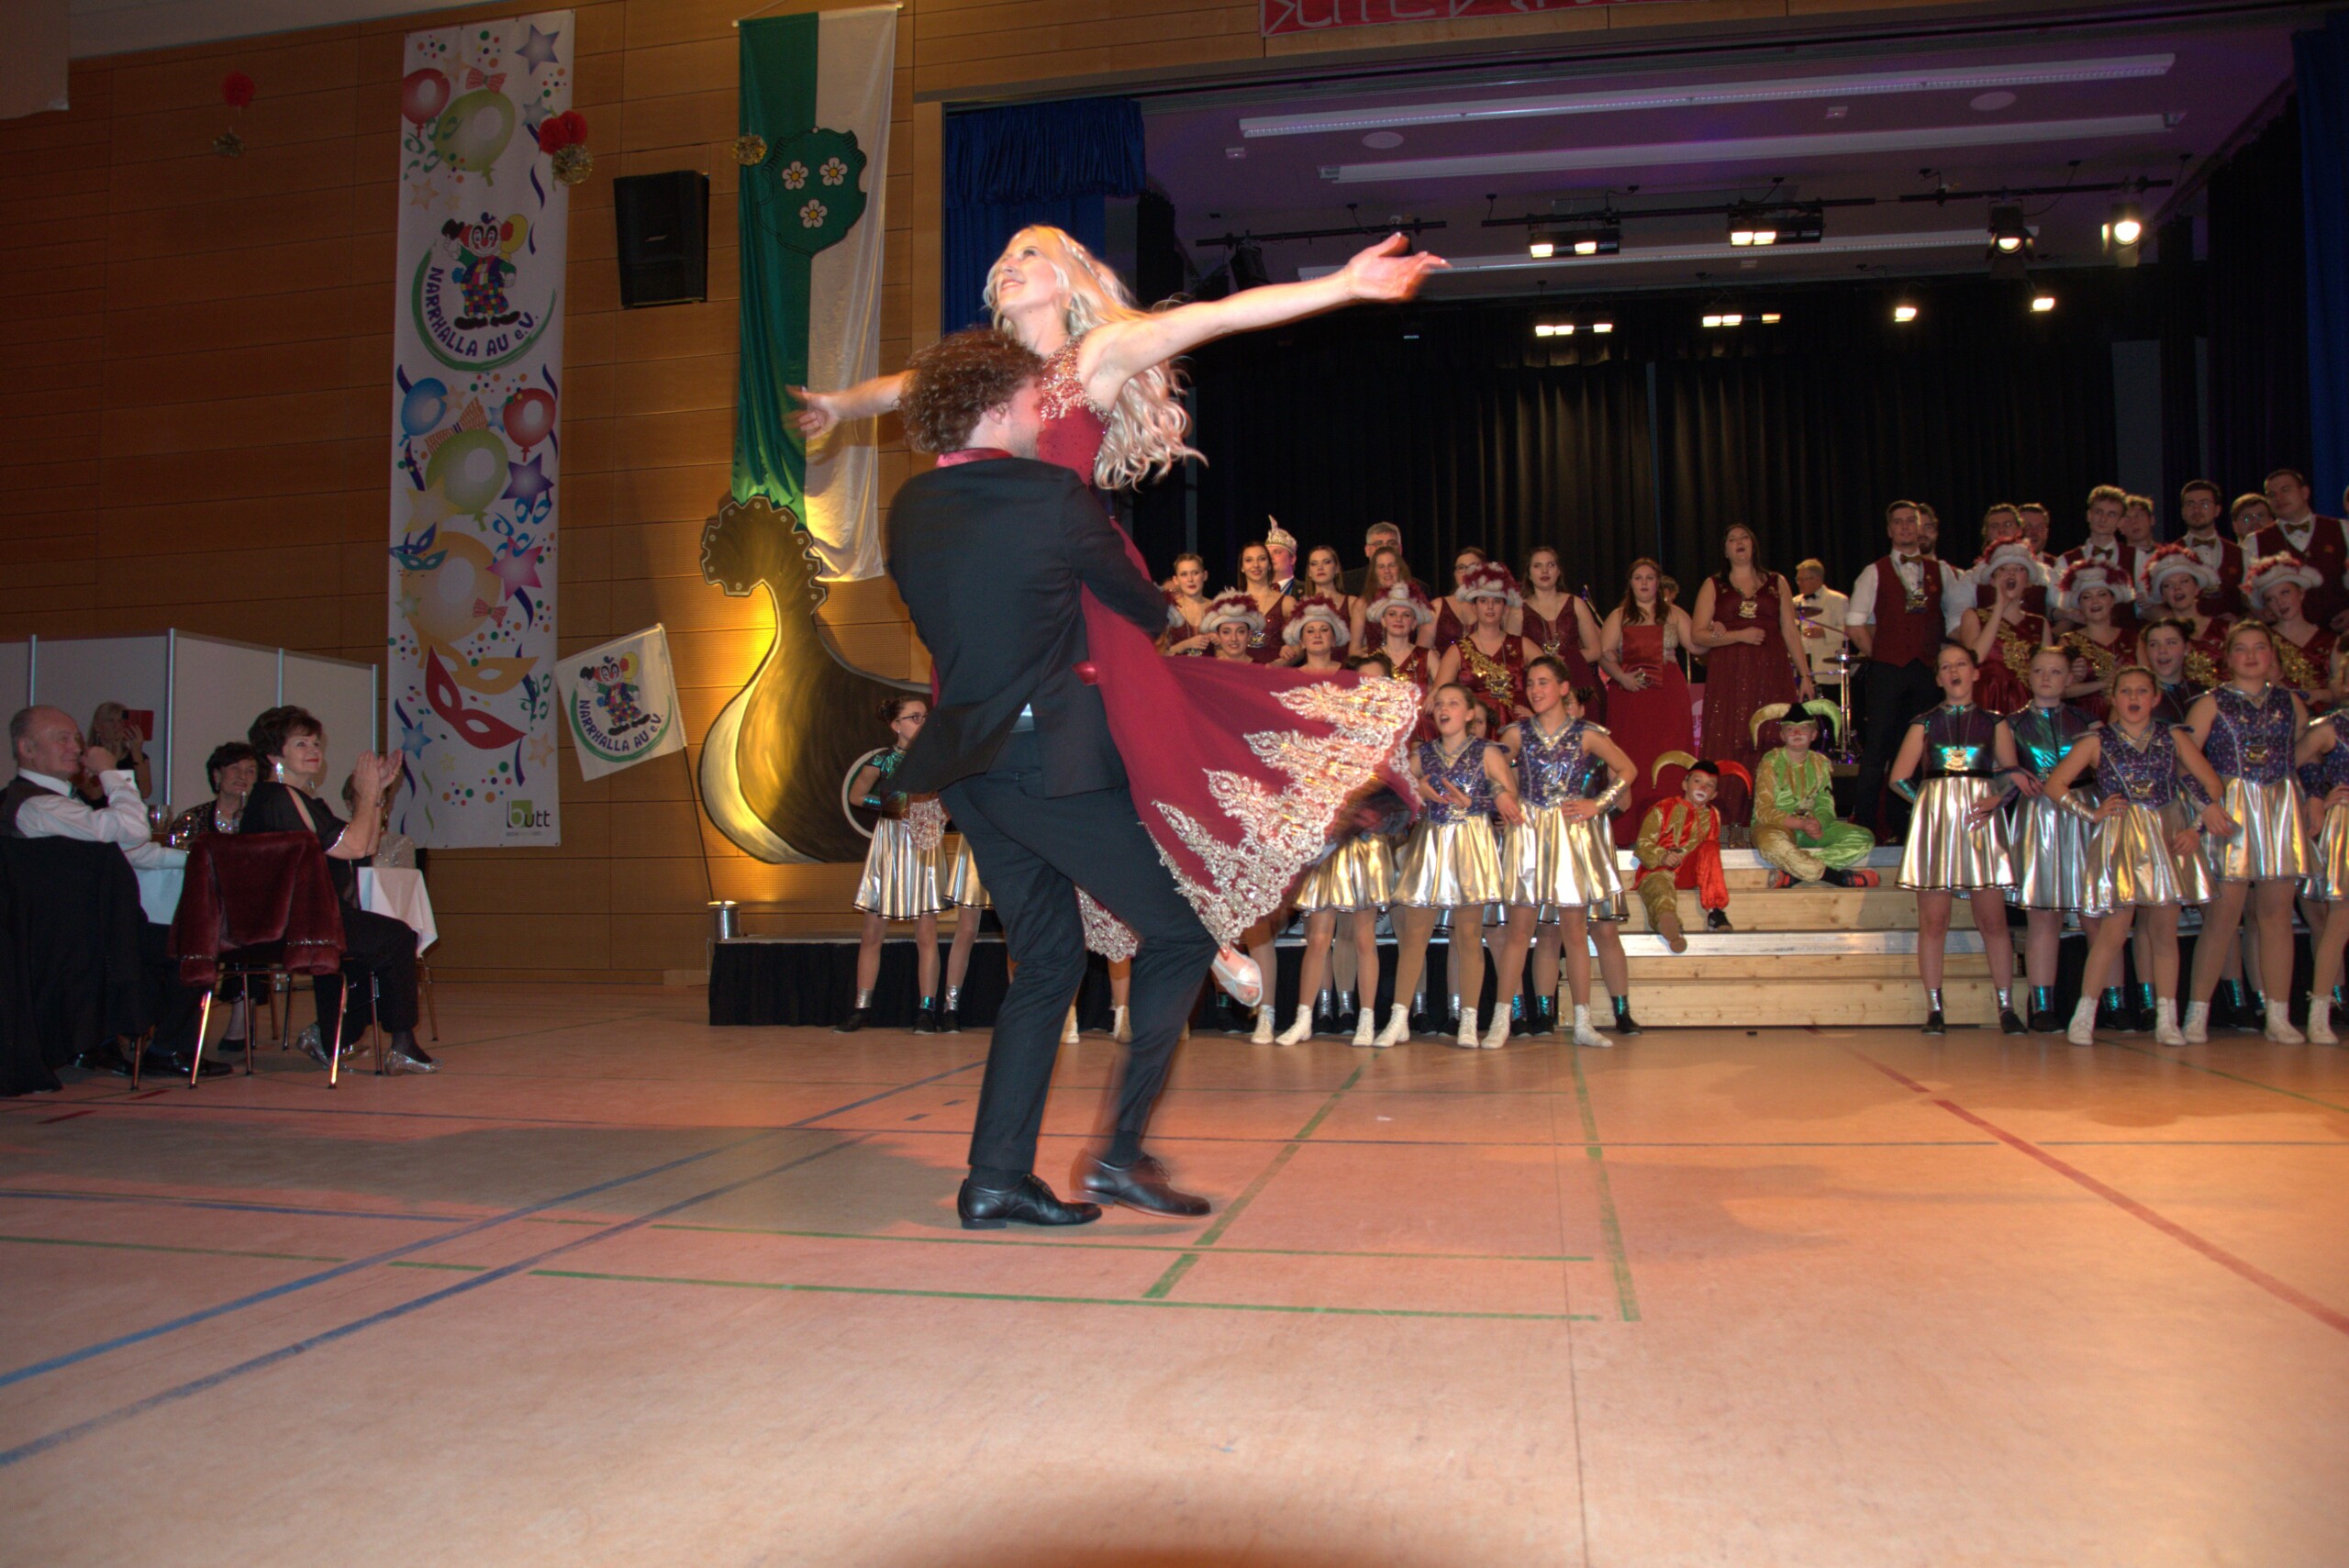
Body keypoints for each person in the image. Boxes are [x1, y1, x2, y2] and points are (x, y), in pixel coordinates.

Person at [795, 224, 1434, 966]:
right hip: (995, 596)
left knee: (1137, 741)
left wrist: (1344, 286)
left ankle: (1206, 911)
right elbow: (899, 389)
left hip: (1077, 579)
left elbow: (1217, 318)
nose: (1009, 262)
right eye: (1005, 254)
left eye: (1030, 252)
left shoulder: (1093, 356)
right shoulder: (983, 373)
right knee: (1024, 770)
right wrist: (839, 405)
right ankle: (1160, 921)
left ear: (1069, 279)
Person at [882, 328, 1234, 1230]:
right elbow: (1141, 606)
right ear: (996, 406)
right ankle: (1119, 1153)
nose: (1045, 414)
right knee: (1181, 934)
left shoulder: (909, 507)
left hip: (969, 772)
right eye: (1034, 401)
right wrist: (1166, 602)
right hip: (1046, 765)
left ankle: (996, 1177)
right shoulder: (1051, 495)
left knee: (1046, 961)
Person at [4, 705, 213, 1080]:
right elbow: (131, 830)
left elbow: (126, 852)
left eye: (75, 738)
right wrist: (111, 773)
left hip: (92, 931)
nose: (76, 747)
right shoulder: (35, 805)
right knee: (191, 949)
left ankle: (130, 1044)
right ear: (27, 748)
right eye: (62, 739)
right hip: (75, 940)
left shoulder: (62, 802)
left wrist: (197, 858)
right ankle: (161, 1049)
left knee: (188, 944)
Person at [2042, 664, 2235, 1046]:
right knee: (2113, 931)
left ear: (2156, 698)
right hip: (2122, 838)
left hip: (2166, 835)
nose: (2134, 698)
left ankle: (2167, 1019)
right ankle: (2084, 1014)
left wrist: (2195, 829)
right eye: (2126, 691)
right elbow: (2055, 784)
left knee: (2164, 931)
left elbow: (2212, 784)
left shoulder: (2172, 736)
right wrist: (2091, 813)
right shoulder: (2097, 741)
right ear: (2113, 698)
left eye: (2142, 691)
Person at [240, 705, 433, 1073]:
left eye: (316, 743)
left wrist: (375, 794)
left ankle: (332, 1034)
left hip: (307, 916)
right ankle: (399, 1044)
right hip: (292, 922)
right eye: (301, 743)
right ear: (274, 755)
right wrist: (367, 793)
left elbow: (365, 845)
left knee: (371, 942)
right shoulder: (278, 798)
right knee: (396, 939)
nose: (314, 750)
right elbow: (357, 846)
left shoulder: (294, 799)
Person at [1491, 662, 1638, 1048]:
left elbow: (1628, 769)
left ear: (1563, 687)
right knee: (1519, 930)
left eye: (1544, 683)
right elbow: (1491, 766)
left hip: (1571, 834)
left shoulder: (1587, 734)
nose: (1535, 690)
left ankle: (1583, 1022)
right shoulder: (1516, 733)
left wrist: (1597, 803)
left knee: (1574, 931)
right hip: (1530, 832)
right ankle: (1502, 1019)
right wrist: (1502, 794)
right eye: (1530, 684)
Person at [2181, 621, 2310, 1042]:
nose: (2251, 656)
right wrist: (2206, 806)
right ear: (2227, 657)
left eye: (2260, 647)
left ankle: (2278, 1014)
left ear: (2273, 655)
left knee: (2276, 916)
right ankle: (2197, 1013)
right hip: (2231, 810)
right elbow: (2182, 761)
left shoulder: (2291, 701)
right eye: (2241, 648)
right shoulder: (2210, 703)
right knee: (2223, 916)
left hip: (2279, 808)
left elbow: (2306, 756)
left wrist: (2314, 798)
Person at [1887, 643, 2024, 1034]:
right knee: (1934, 921)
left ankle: (2006, 1007)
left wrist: (1997, 800)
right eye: (1946, 667)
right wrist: (1929, 806)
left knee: (1993, 920)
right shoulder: (1924, 723)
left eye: (1961, 664)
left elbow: (2011, 774)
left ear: (1975, 672)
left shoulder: (1995, 722)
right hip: (1938, 824)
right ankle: (1934, 1009)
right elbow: (1898, 778)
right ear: (1938, 678)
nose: (1954, 672)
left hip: (1981, 823)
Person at [1375, 684, 1521, 1048]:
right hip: (1431, 843)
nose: (1444, 709)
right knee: (1414, 935)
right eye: (1439, 703)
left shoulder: (1487, 751)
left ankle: (1469, 1020)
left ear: (1469, 714)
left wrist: (1475, 802)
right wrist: (1415, 788)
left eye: (1453, 703)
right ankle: (1398, 1019)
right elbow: (1388, 784)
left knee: (1469, 935)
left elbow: (1510, 800)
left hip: (1471, 842)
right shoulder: (1424, 753)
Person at [1846, 500, 1973, 837]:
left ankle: (1912, 825)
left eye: (1911, 522)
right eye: (1898, 522)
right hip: (1888, 672)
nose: (1905, 527)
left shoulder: (1942, 572)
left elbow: (1956, 621)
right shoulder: (1874, 571)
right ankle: (1866, 825)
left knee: (1921, 747)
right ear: (1889, 530)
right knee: (1877, 749)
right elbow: (1855, 624)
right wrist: (1883, 656)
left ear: (1920, 528)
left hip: (1927, 673)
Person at [2005, 647, 2103, 1031]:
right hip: (2038, 817)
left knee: (2096, 914)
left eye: (2056, 672)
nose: (2046, 678)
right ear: (2027, 675)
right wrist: (2010, 776)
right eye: (2039, 671)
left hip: (2085, 813)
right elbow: (1998, 771)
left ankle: (2109, 1003)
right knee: (2044, 916)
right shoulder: (2011, 724)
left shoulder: (2087, 722)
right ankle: (2043, 1008)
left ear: (2069, 679)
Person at [835, 695, 946, 1035]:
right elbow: (856, 796)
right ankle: (861, 1008)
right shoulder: (882, 760)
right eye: (914, 717)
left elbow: (953, 797)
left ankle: (926, 1010)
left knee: (926, 932)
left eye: (925, 716)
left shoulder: (936, 758)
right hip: (890, 842)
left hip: (923, 842)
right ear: (896, 725)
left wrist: (937, 814)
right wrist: (890, 805)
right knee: (872, 932)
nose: (922, 723)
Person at [1692, 524, 1812, 819]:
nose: (1739, 542)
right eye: (1732, 539)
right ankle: (1728, 818)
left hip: (1771, 672)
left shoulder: (1776, 582)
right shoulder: (1714, 585)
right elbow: (1697, 635)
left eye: (1744, 537)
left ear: (1753, 544)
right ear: (1725, 550)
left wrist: (1806, 675)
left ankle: (1774, 816)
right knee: (1730, 737)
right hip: (1729, 674)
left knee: (1771, 734)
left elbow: (1790, 631)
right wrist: (1739, 635)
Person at [1598, 557, 1698, 847]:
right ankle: (1629, 830)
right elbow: (1604, 655)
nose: (1644, 583)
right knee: (1632, 755)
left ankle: (1670, 829)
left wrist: (1716, 630)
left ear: (1658, 582)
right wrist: (1622, 677)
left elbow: (1697, 645)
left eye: (1649, 578)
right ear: (1630, 583)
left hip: (1668, 696)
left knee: (1669, 754)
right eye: (1638, 578)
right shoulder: (1619, 616)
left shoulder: (1675, 614)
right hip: (1630, 696)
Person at [1749, 702, 1876, 888]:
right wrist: (1799, 824)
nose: (1796, 733)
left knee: (1863, 837)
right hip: (1776, 826)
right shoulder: (1770, 760)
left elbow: (1825, 804)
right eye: (1790, 729)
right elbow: (1763, 810)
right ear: (1782, 736)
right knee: (1771, 845)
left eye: (1803, 728)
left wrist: (1818, 823)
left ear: (1814, 735)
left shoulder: (1820, 762)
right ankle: (1836, 877)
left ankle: (1795, 874)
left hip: (1811, 827)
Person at [2296, 642, 2349, 1043]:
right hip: (2344, 828)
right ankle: (2319, 1012)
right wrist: (2317, 794)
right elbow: (2280, 767)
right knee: (2338, 922)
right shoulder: (2330, 728)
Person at [1634, 760, 1731, 953]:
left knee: (1711, 847)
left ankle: (1715, 912)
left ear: (1714, 794)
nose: (1703, 788)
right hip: (1659, 869)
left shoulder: (1712, 815)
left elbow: (1708, 858)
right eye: (1697, 781)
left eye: (1709, 785)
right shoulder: (1663, 808)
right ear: (1685, 784)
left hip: (1690, 871)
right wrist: (1662, 856)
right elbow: (1642, 844)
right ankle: (1671, 928)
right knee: (1660, 888)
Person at [1434, 562, 1536, 733]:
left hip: (1519, 731)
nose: (1490, 607)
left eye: (1496, 601)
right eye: (1483, 601)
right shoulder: (1457, 651)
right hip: (1475, 729)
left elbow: (1551, 680)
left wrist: (1537, 715)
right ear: (1474, 607)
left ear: (1505, 608)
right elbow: (1440, 696)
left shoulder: (1523, 645)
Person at [1957, 532, 2051, 715]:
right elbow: (1976, 658)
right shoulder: (1974, 616)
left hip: (2028, 709)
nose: (2011, 574)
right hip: (1987, 704)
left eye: (2019, 569)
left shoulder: (2039, 624)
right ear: (1993, 580)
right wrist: (2000, 605)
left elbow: (2048, 672)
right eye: (2004, 569)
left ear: (2028, 581)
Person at [2244, 468, 2349, 628]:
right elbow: (2245, 591)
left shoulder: (2343, 529)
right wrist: (2259, 612)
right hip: (2284, 636)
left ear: (2305, 492)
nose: (2279, 498)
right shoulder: (2255, 541)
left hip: (2340, 633)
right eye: (2271, 495)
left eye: (2285, 490)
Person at [2243, 553, 2336, 705]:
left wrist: (2318, 694)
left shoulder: (2331, 641)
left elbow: (2342, 692)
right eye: (2271, 599)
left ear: (2301, 593)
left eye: (2285, 592)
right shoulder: (2262, 639)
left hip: (2324, 715)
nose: (2280, 602)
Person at [1518, 545, 1603, 703]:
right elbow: (1513, 658)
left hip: (1575, 682)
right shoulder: (1518, 611)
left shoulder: (1576, 604)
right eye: (1537, 566)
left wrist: (1566, 659)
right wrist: (1544, 662)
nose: (1545, 571)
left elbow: (1595, 651)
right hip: (1537, 688)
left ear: (1558, 572)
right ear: (1529, 574)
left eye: (1551, 565)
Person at [2136, 543, 2228, 687]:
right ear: (2163, 596)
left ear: (2197, 588)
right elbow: (2147, 681)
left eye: (2184, 581)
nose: (2177, 588)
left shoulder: (2225, 629)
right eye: (2168, 585)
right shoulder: (2151, 637)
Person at [2056, 561, 2136, 722]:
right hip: (2084, 720)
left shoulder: (2133, 638)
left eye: (2102, 594)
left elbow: (2149, 681)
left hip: (2129, 717)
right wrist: (2103, 684)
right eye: (2087, 597)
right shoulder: (2068, 641)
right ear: (2080, 605)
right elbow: (2059, 690)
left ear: (2112, 600)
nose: (2095, 601)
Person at [2054, 484, 2144, 594]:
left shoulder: (2137, 558)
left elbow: (2146, 601)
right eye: (2098, 512)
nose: (2103, 519)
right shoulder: (2065, 562)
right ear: (2089, 515)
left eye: (2111, 514)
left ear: (2121, 522)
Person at [2176, 479, 2246, 616]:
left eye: (2204, 504)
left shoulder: (2241, 554)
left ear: (2217, 510)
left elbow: (2252, 603)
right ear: (2183, 512)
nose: (2196, 510)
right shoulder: (2169, 555)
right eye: (2190, 504)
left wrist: (2240, 620)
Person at [167, 741, 260, 842]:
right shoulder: (193, 819)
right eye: (235, 768)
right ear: (217, 775)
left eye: (250, 771)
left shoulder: (263, 819)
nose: (243, 776)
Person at [1791, 558, 1850, 703]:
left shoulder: (1838, 600)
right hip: (1801, 666)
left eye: (1802, 580)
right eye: (1797, 579)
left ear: (1817, 579)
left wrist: (1824, 633)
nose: (1799, 583)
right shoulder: (1794, 602)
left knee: (1828, 708)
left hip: (1826, 667)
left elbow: (1849, 631)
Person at [1348, 543, 1416, 653]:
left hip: (1408, 662)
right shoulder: (1362, 604)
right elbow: (1354, 649)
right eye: (1381, 567)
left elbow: (1423, 644)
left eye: (1391, 565)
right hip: (1373, 662)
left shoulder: (1415, 600)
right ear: (1374, 572)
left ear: (1400, 568)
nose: (1387, 571)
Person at [1234, 539, 1294, 664]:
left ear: (1270, 565)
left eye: (1261, 559)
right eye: (1249, 560)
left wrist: (1283, 662)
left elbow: (1300, 646)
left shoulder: (1287, 603)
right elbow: (1220, 648)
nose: (1256, 565)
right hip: (1239, 672)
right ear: (1242, 567)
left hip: (1274, 672)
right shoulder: (1231, 604)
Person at [2140, 617, 2205, 726]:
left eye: (2171, 643)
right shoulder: (2137, 695)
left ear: (2187, 648)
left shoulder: (2202, 693)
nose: (2162, 650)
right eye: (2153, 644)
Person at [87, 701, 152, 804]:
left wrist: (136, 752)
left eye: (120, 721)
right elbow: (95, 794)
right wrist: (114, 757)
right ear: (98, 727)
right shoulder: (89, 756)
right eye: (110, 721)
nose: (117, 725)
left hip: (128, 810)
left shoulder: (137, 756)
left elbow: (145, 792)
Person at [1159, 552, 1213, 654]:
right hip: (1177, 664)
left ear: (1205, 575)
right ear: (1176, 580)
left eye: (1195, 573)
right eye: (1184, 574)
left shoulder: (1218, 608)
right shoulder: (1169, 611)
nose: (1190, 579)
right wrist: (1185, 644)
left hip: (1211, 664)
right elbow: (1159, 652)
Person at [1341, 521, 1405, 598]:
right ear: (1367, 550)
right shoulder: (1345, 583)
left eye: (1391, 543)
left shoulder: (1415, 587)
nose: (1385, 548)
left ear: (1400, 549)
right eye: (1378, 544)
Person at [1198, 592, 1264, 662]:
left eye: (1241, 632)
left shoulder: (1261, 667)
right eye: (1226, 632)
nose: (1234, 639)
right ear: (1218, 635)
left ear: (1249, 635)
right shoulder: (1209, 667)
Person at [1264, 522, 1300, 599]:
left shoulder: (1307, 590)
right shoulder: (1256, 591)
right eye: (1267, 553)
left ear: (1292, 559)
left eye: (1277, 552)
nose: (1270, 557)